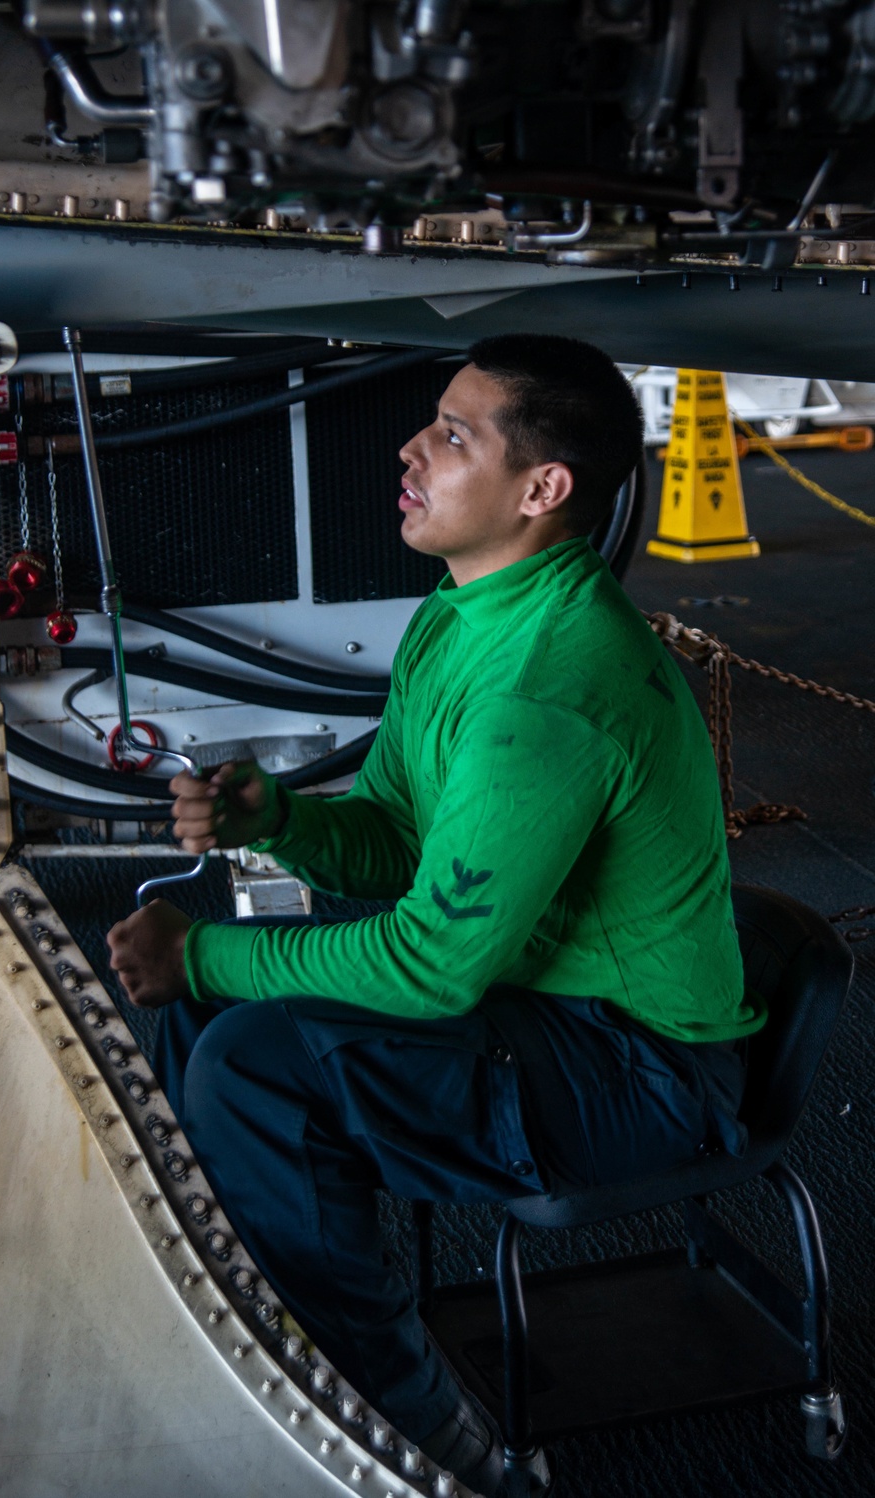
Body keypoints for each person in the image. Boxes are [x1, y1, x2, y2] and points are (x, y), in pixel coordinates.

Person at [106, 335, 766, 1497]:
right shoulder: (458, 618)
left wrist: (208, 951)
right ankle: (270, 1334)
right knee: (196, 1033)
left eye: (453, 436)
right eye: (430, 423)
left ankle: (414, 1437)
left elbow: (430, 966)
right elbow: (402, 844)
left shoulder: (546, 686)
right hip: (542, 1008)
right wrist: (282, 823)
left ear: (541, 490)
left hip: (646, 1068)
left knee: (253, 1061)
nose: (410, 449)